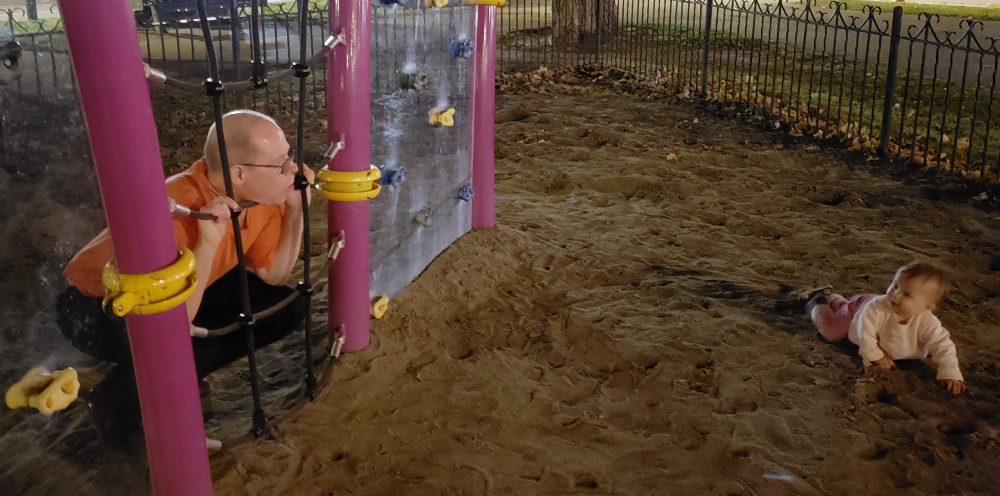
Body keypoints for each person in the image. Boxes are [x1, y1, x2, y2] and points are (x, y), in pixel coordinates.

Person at [55, 110, 314, 442]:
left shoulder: (260, 195)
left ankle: (171, 378)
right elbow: (174, 322)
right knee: (189, 350)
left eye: (289, 157)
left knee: (288, 305)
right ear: (239, 173)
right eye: (281, 164)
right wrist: (207, 243)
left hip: (183, 289)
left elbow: (275, 275)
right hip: (98, 306)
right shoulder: (177, 210)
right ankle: (113, 404)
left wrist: (295, 210)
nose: (293, 170)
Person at [807, 261, 966, 395]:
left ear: (927, 307)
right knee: (831, 330)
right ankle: (820, 300)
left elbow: (943, 345)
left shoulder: (927, 322)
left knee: (845, 309)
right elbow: (865, 332)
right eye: (895, 286)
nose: (895, 294)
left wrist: (950, 372)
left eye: (906, 294)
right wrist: (875, 355)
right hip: (861, 308)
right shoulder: (877, 308)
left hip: (870, 309)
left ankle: (837, 300)